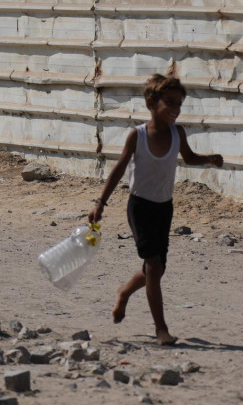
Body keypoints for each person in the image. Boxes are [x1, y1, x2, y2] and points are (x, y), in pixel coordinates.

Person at [87, 73, 223, 346]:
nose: (175, 109)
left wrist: (209, 159)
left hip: (164, 208)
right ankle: (161, 329)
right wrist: (100, 203)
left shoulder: (177, 133)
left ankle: (124, 292)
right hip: (140, 207)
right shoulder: (137, 136)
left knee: (156, 271)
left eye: (179, 103)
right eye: (169, 102)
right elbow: (119, 169)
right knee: (153, 264)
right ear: (151, 102)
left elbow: (189, 157)